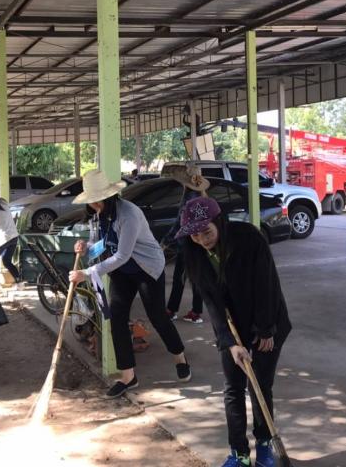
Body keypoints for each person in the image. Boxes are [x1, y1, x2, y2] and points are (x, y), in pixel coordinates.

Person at [178, 197, 292, 467]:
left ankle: (264, 444)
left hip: (267, 321)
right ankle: (239, 453)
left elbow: (267, 285)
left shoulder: (248, 238)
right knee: (233, 387)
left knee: (260, 385)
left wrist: (265, 329)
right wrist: (229, 343)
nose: (202, 240)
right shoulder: (194, 254)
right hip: (232, 325)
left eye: (207, 232)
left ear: (219, 222)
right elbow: (211, 302)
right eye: (195, 235)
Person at [68, 169, 191, 398]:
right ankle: (128, 376)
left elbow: (122, 255)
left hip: (147, 268)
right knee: (117, 318)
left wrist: (87, 273)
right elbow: (101, 244)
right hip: (122, 271)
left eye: (97, 200)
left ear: (109, 196)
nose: (94, 204)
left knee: (157, 316)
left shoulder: (129, 214)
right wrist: (85, 247)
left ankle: (180, 357)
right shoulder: (98, 214)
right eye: (92, 200)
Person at [161, 164, 208, 324]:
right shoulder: (202, 197)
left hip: (187, 244)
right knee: (195, 278)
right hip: (199, 243)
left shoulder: (189, 199)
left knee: (179, 278)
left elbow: (179, 225)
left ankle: (172, 310)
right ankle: (196, 312)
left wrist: (165, 242)